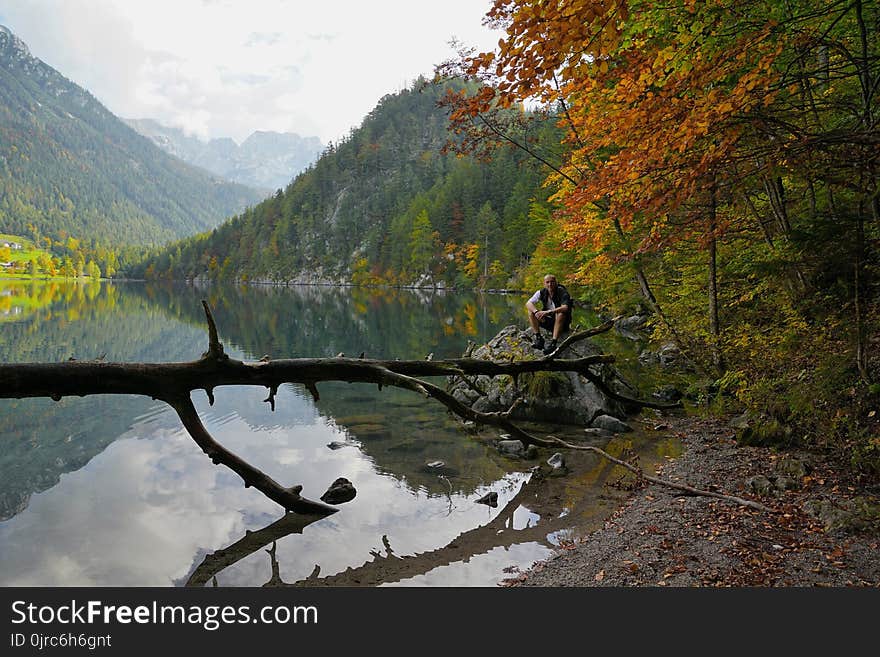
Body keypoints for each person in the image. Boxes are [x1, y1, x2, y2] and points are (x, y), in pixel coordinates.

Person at [525, 274, 572, 355]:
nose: (550, 284)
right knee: (531, 311)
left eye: (552, 282)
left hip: (562, 323)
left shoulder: (562, 292)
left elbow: (565, 308)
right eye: (547, 282)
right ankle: (539, 339)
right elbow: (528, 303)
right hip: (549, 322)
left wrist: (549, 312)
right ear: (544, 283)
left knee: (560, 313)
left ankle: (554, 343)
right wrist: (536, 312)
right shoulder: (541, 292)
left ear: (556, 283)